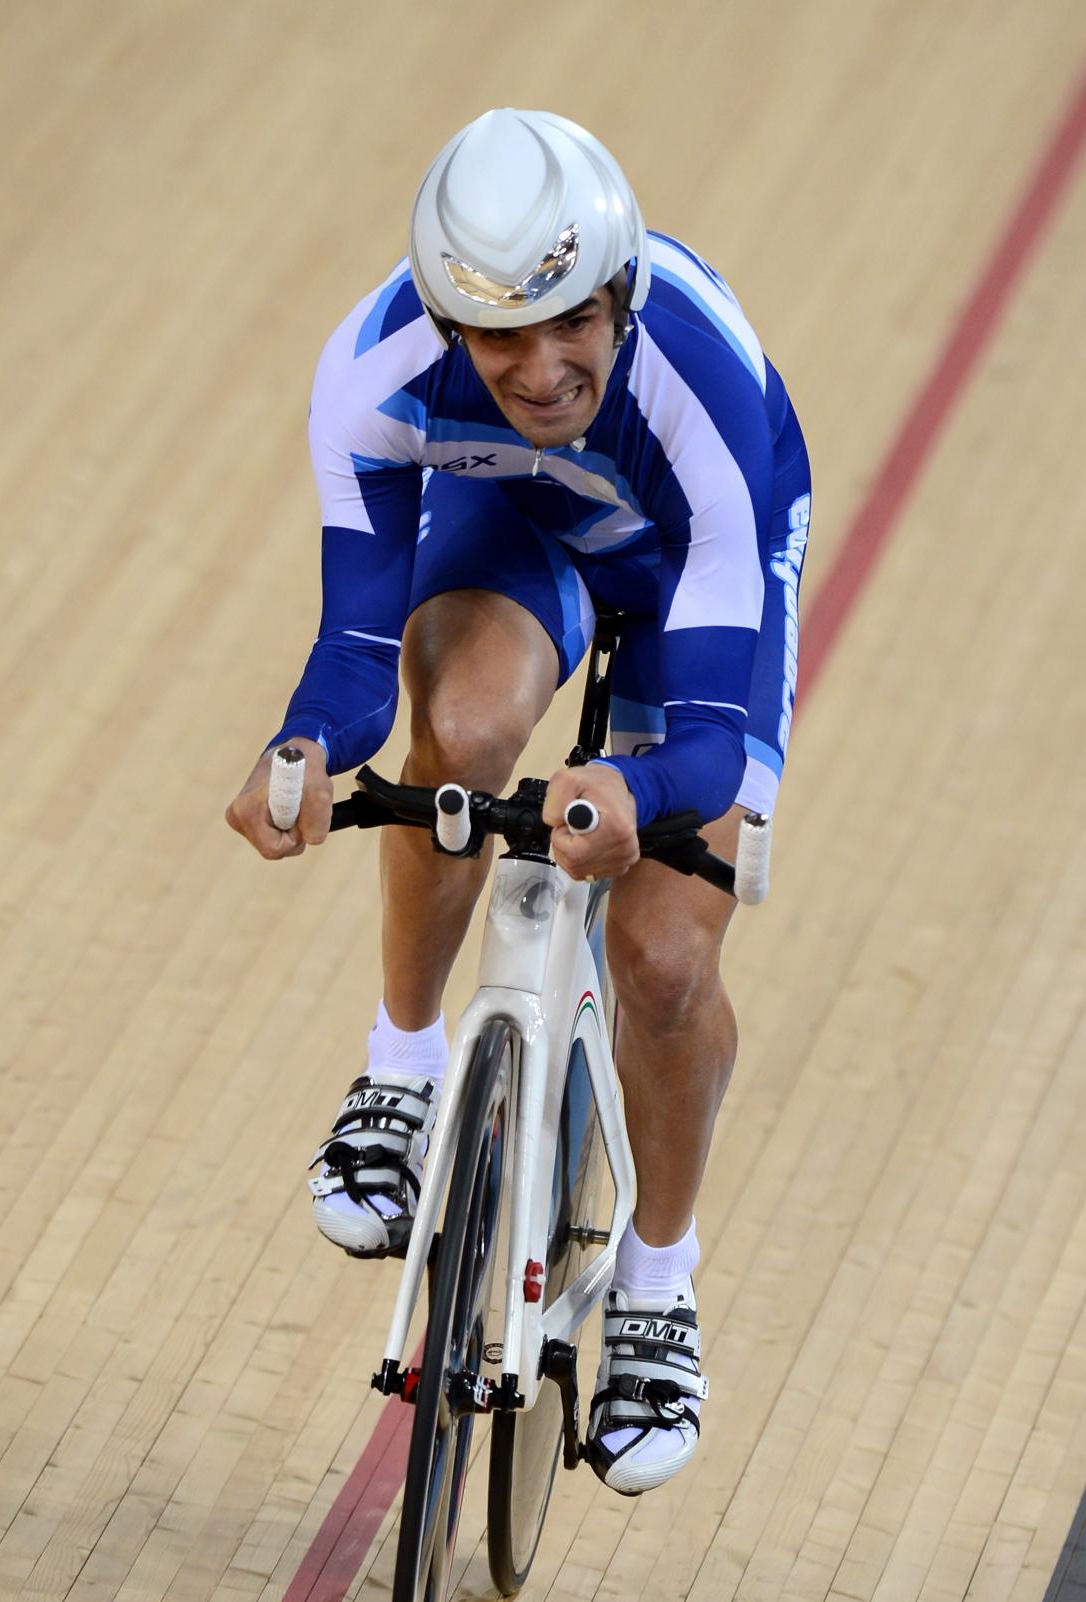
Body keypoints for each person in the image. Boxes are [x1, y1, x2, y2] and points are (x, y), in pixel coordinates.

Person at [226, 108, 811, 1497]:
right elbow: (361, 647)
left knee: (664, 956)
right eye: (502, 343)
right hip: (526, 532)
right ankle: (404, 1069)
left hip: (697, 584)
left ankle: (658, 1289)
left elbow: (721, 739)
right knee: (468, 728)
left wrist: (640, 784)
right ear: (446, 326)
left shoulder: (701, 387)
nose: (543, 372)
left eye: (572, 329)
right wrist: (301, 748)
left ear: (620, 297)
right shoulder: (374, 374)